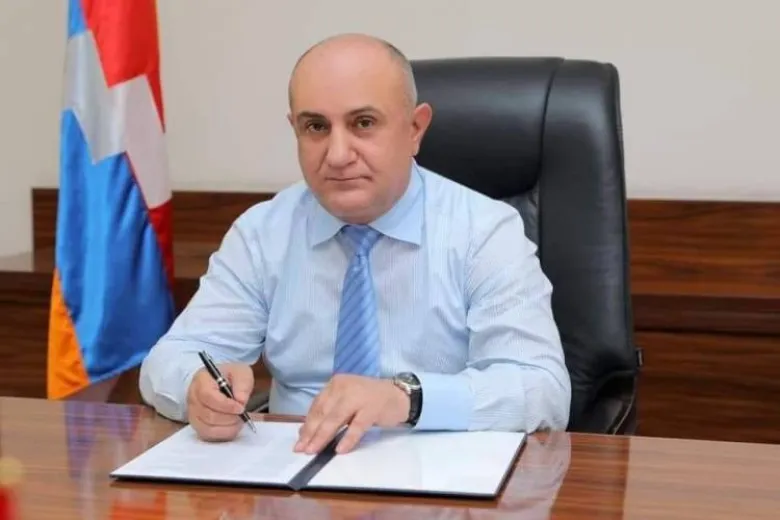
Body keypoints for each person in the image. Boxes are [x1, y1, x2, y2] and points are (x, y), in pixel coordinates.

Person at [139, 33, 571, 455]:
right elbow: (167, 360)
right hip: (292, 469)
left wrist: (405, 398)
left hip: (436, 474)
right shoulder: (263, 233)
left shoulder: (485, 232)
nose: (338, 154)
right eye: (316, 127)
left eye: (363, 123)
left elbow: (542, 389)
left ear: (415, 128)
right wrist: (196, 388)